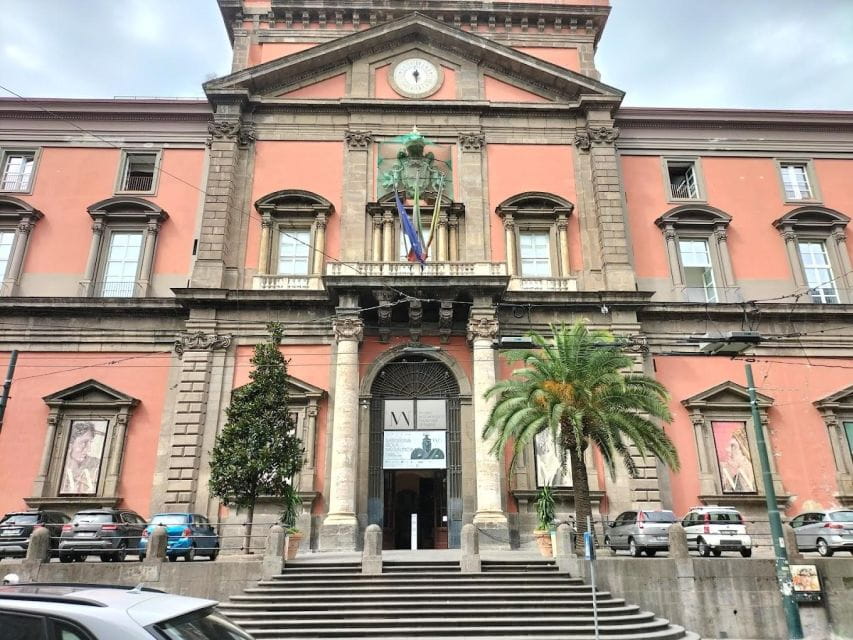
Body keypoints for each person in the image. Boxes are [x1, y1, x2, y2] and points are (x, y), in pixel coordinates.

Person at [60, 421, 103, 495]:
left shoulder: (97, 464)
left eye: (90, 443)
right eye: (84, 443)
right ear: (70, 444)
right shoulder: (59, 467)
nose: (89, 449)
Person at [720, 427, 756, 493]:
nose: (728, 450)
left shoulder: (748, 466)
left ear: (743, 449)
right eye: (729, 446)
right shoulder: (725, 467)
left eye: (733, 446)